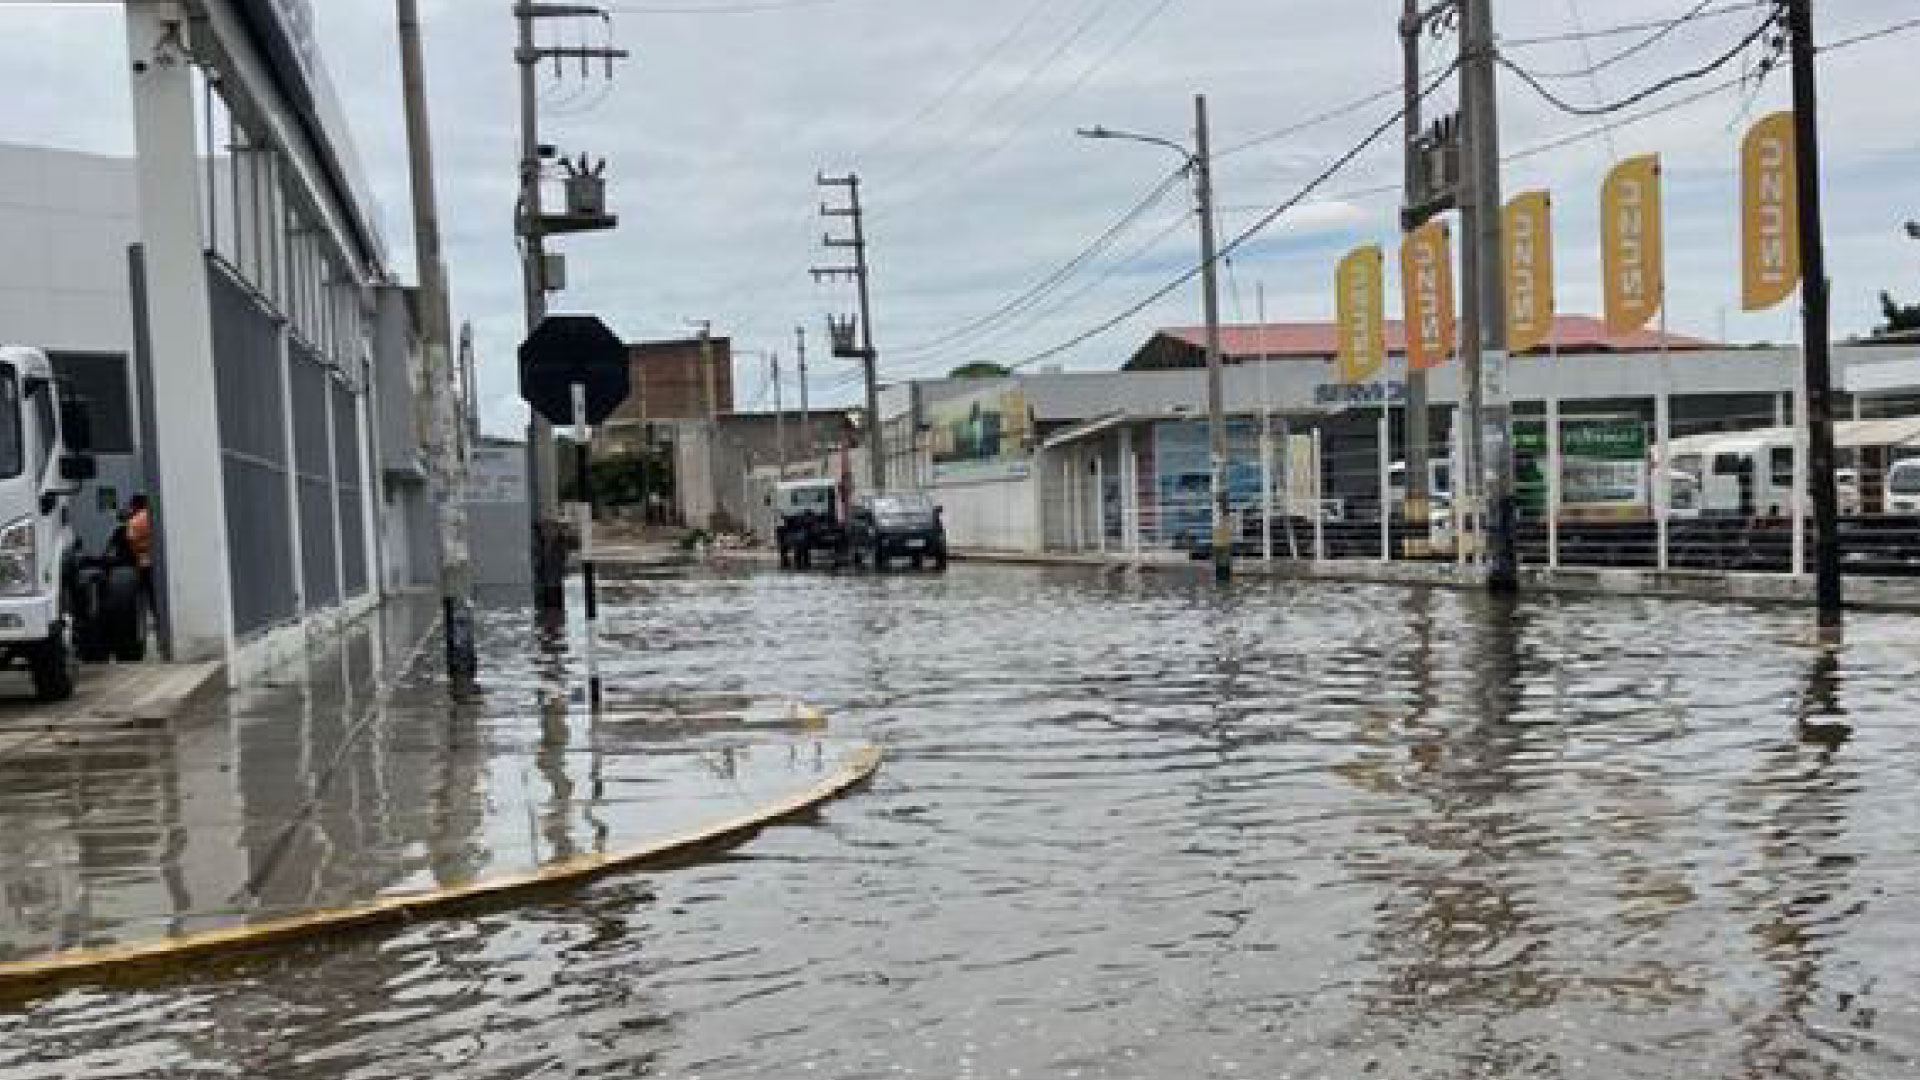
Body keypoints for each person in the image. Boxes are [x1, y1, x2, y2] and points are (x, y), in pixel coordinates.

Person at [124, 494, 153, 607]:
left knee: (143, 593)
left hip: (142, 560)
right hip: (157, 560)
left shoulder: (133, 522)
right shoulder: (153, 517)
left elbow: (131, 540)